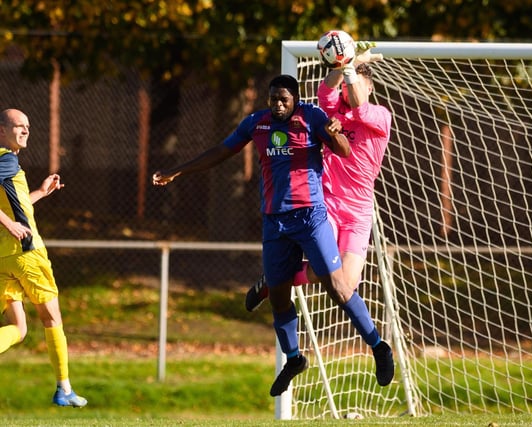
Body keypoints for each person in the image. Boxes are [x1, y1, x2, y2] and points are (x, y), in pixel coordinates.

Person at [152, 74, 394, 396]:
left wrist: (335, 135)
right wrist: (177, 170)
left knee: (338, 285)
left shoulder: (312, 117)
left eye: (284, 99)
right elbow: (221, 151)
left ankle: (378, 346)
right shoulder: (257, 124)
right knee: (279, 297)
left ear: (295, 99)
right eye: (273, 99)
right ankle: (294, 359)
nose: (278, 105)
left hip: (311, 218)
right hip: (275, 222)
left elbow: (344, 149)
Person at [244, 45, 395, 386]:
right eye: (345, 87)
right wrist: (341, 63)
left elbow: (357, 101)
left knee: (347, 283)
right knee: (334, 282)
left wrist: (354, 65)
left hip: (357, 212)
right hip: (323, 203)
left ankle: (275, 279)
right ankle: (279, 280)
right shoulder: (331, 108)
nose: (346, 93)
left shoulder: (379, 116)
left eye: (355, 86)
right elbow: (326, 90)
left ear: (369, 88)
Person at [0, 108, 87, 407]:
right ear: (1, 130)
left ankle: (65, 389)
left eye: (27, 126)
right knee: (52, 319)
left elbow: (17, 206)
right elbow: (12, 218)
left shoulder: (8, 163)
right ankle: (64, 388)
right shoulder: (5, 158)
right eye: (18, 126)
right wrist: (10, 224)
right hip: (27, 253)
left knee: (19, 330)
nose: (25, 130)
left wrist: (39, 192)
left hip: (3, 259)